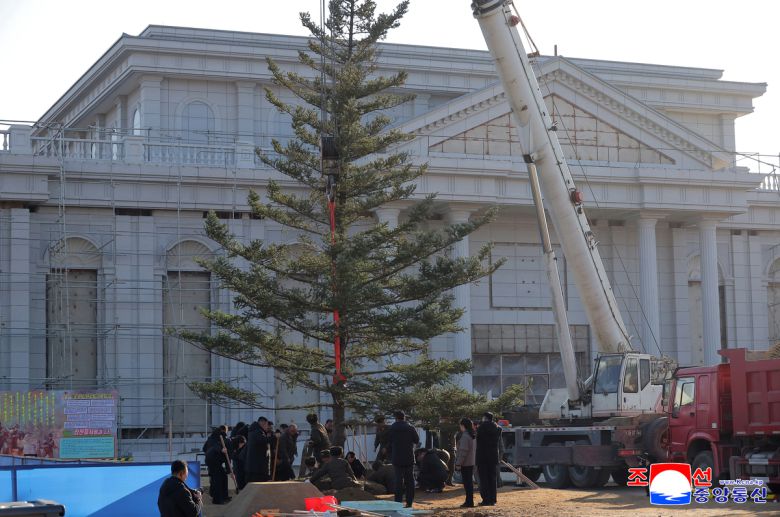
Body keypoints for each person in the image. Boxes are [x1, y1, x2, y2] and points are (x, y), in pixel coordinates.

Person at [387, 410, 419, 508]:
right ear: (404, 417)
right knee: (410, 481)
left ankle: (398, 502)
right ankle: (409, 502)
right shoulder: (410, 428)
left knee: (398, 481)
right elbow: (416, 440)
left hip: (397, 458)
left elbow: (389, 441)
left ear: (396, 418)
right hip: (409, 457)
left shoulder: (392, 428)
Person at [476, 412, 501, 506]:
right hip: (493, 456)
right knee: (492, 478)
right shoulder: (498, 428)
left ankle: (486, 499)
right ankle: (493, 499)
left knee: (484, 479)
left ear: (485, 418)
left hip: (482, 456)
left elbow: (477, 439)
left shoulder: (481, 427)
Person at [455, 417, 476, 508]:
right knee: (469, 484)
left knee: (467, 484)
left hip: (466, 463)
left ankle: (469, 502)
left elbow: (463, 451)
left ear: (463, 425)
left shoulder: (465, 436)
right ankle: (469, 501)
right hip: (472, 462)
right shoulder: (473, 435)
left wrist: (458, 463)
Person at [205, 434, 233, 504]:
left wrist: (229, 471)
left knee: (223, 476)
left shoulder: (228, 442)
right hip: (212, 460)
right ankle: (217, 500)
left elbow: (227, 460)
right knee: (217, 479)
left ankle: (224, 497)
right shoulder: (228, 443)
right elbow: (227, 459)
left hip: (215, 461)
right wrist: (221, 450)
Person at [245, 416, 270, 482]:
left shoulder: (254, 431)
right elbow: (263, 440)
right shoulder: (257, 432)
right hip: (257, 466)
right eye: (266, 425)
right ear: (262, 423)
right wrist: (272, 438)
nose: (267, 427)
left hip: (256, 465)